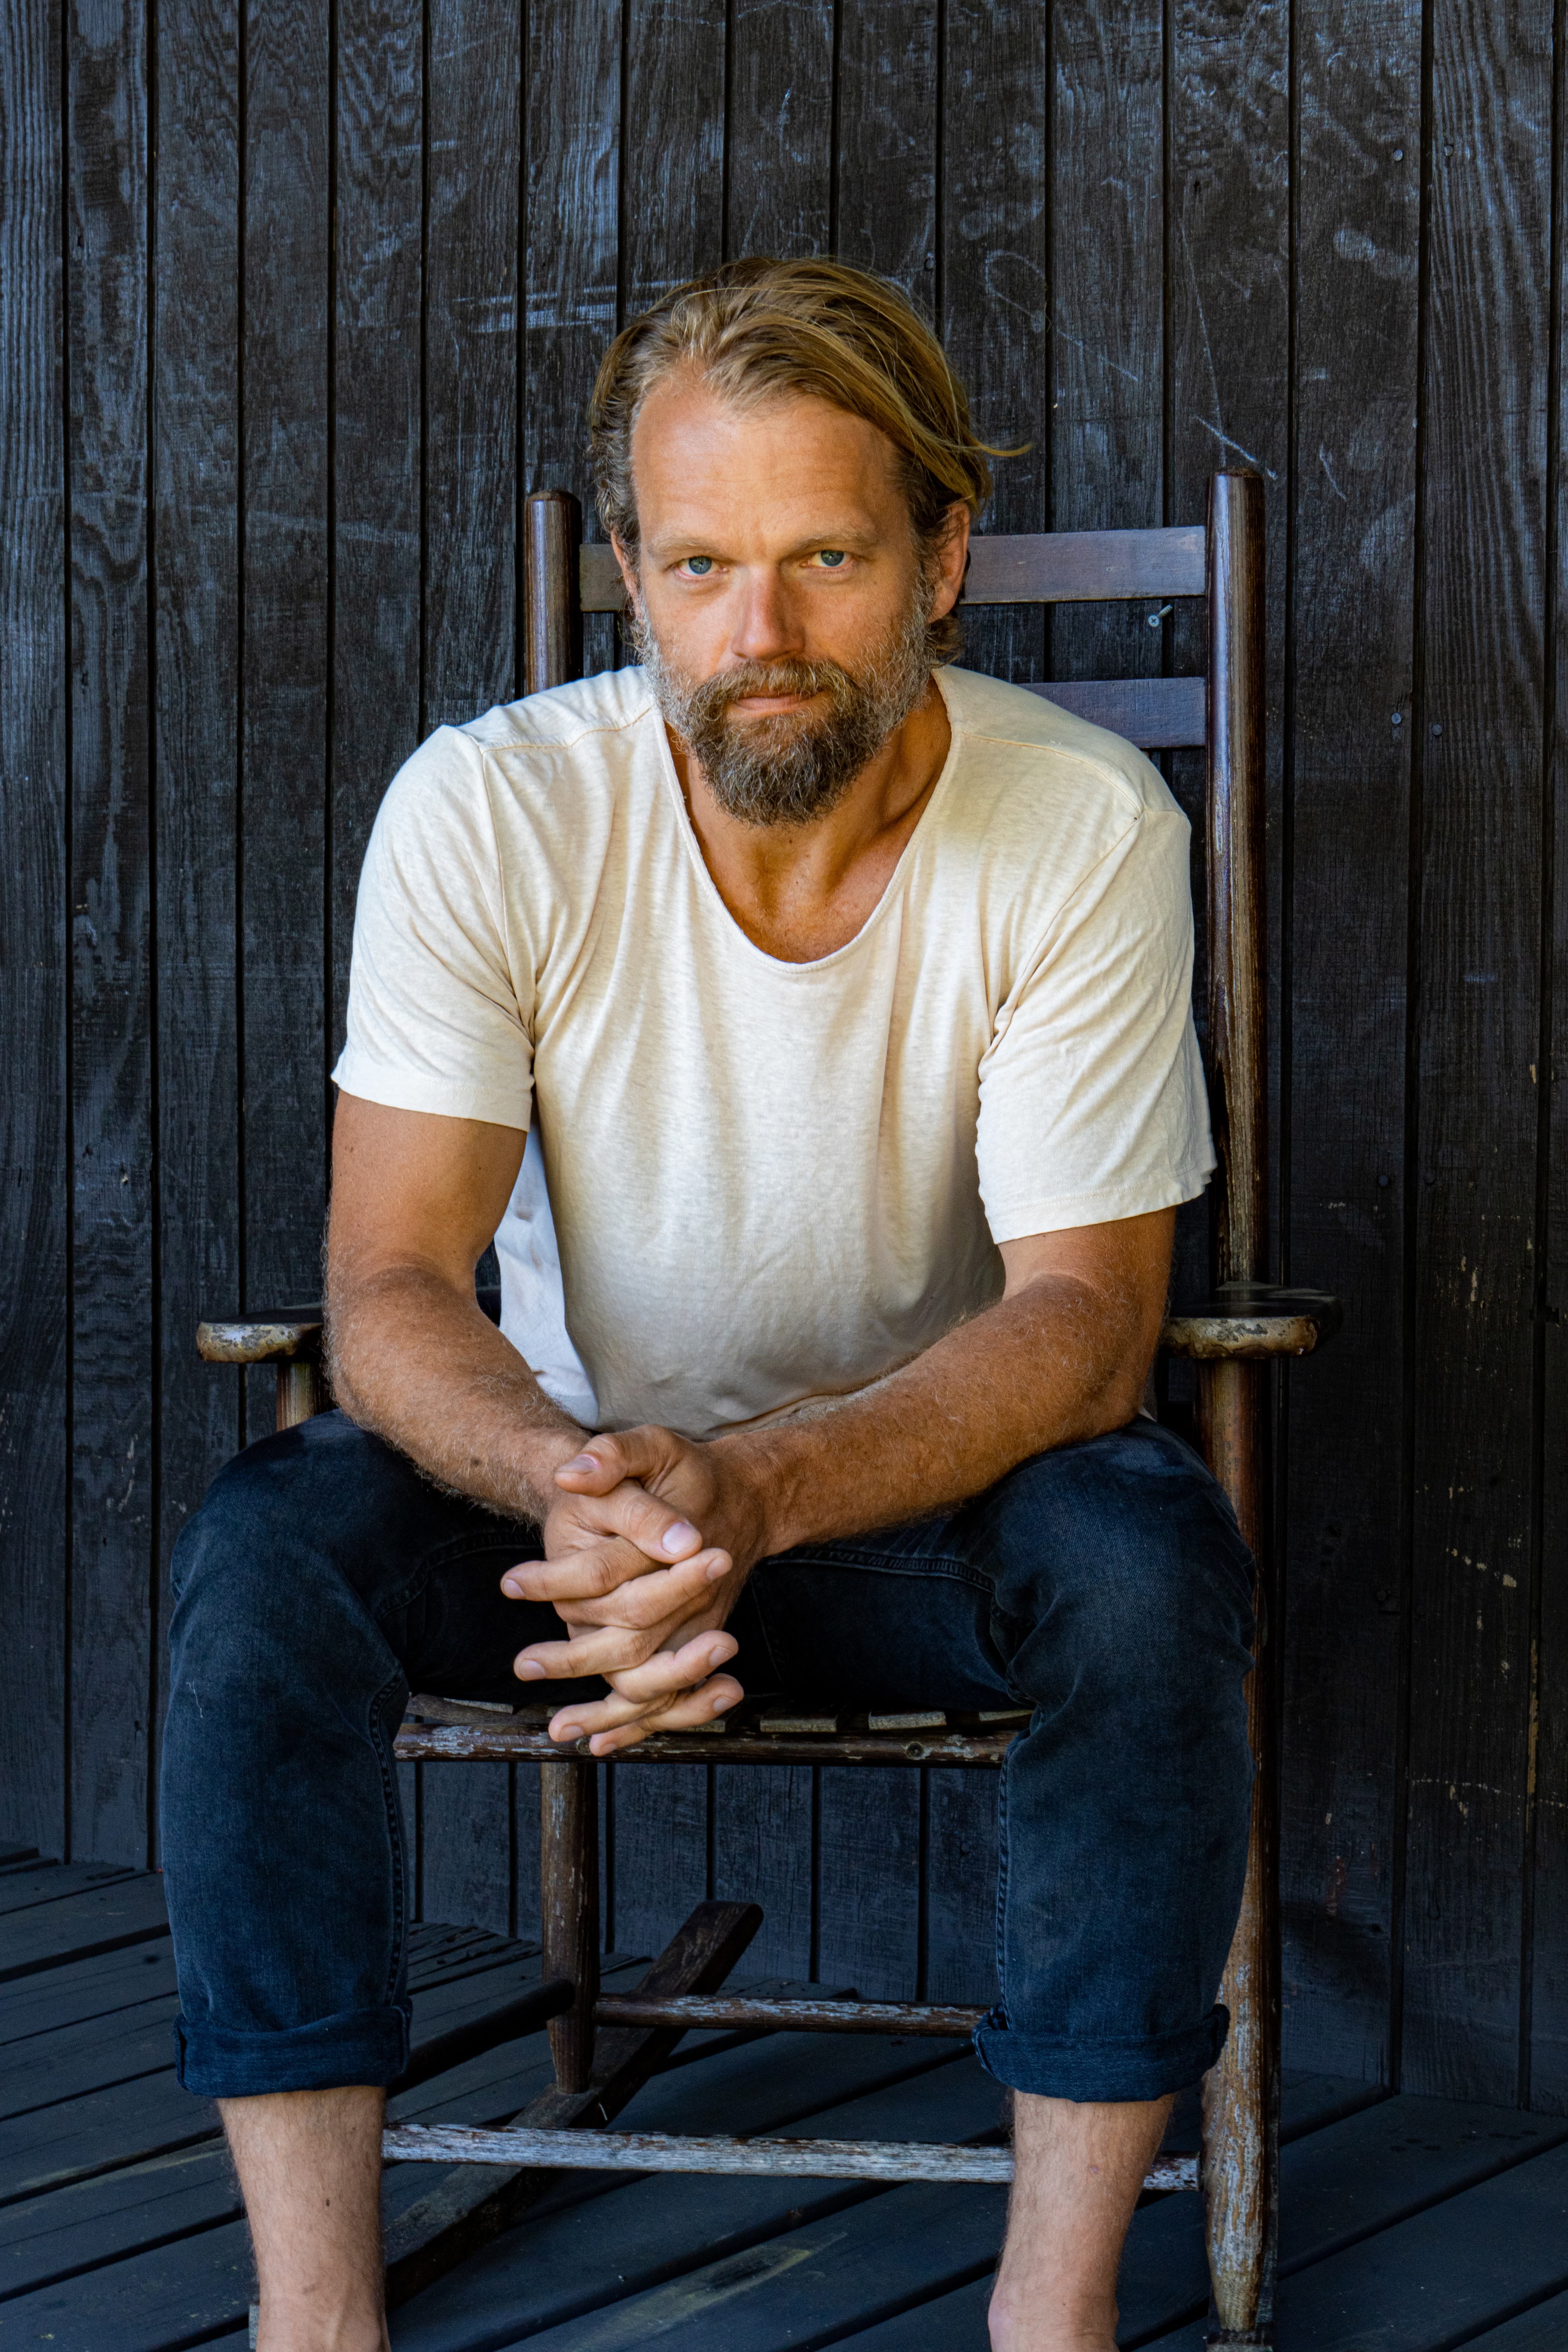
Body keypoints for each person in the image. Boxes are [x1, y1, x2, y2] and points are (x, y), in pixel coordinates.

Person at [160, 256, 1256, 2352]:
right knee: (263, 1552)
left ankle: (1056, 2313)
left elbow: (1085, 1328)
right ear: (636, 579)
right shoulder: (491, 809)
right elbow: (387, 1280)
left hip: (930, 1519)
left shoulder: (1079, 824)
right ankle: (318, 2319)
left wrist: (751, 1491)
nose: (758, 637)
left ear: (943, 557)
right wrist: (589, 1489)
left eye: (828, 558)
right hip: (575, 1531)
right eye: (700, 565)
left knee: (1145, 1558)